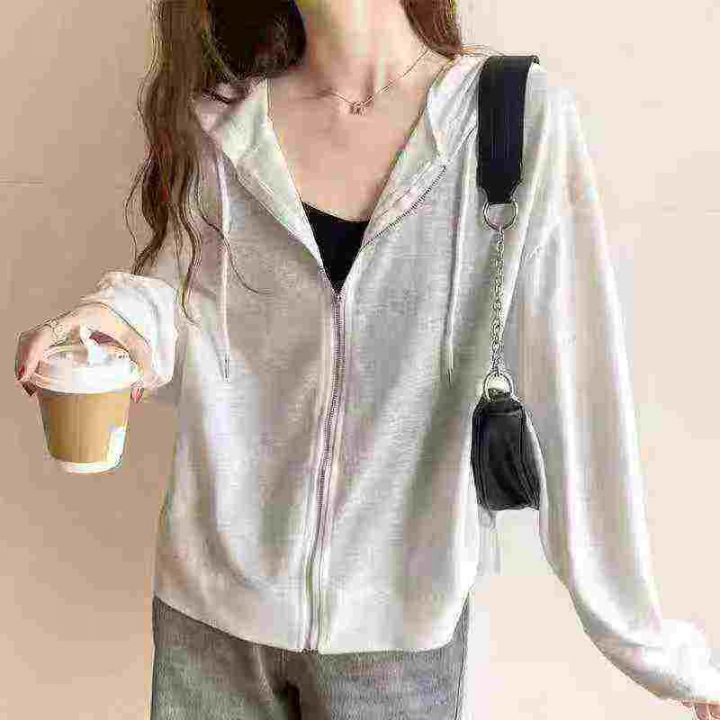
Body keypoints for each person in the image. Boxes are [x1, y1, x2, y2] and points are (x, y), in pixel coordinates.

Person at [13, 1, 720, 718]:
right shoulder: (226, 125)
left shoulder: (509, 122)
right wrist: (111, 323)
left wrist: (659, 652)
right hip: (211, 622)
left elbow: (580, 393)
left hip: (396, 640)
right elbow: (181, 301)